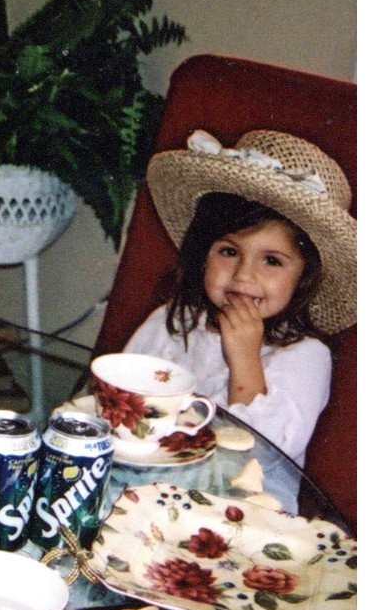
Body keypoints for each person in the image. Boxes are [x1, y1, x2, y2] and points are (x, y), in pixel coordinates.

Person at [124, 129, 356, 467]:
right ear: (204, 255)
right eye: (229, 251)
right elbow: (118, 397)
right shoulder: (171, 321)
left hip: (240, 491)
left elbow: (261, 454)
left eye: (272, 260)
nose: (244, 275)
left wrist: (245, 358)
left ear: (304, 277)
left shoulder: (305, 355)